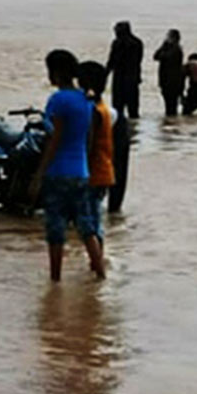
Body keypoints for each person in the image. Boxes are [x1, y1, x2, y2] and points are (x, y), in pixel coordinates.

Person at [28, 49, 105, 282]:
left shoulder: (58, 100)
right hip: (80, 172)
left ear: (57, 72)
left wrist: (39, 175)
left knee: (56, 230)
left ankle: (55, 280)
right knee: (87, 227)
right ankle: (100, 274)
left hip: (57, 173)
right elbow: (89, 139)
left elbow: (54, 139)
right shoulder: (87, 99)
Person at [76, 60, 114, 259]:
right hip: (104, 170)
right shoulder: (103, 107)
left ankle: (97, 268)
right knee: (95, 221)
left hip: (91, 172)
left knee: (88, 225)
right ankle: (96, 267)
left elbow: (87, 145)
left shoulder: (93, 111)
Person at [105, 21, 143, 119]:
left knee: (118, 108)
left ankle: (119, 129)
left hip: (120, 77)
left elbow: (112, 60)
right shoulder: (137, 42)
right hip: (132, 77)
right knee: (133, 109)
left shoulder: (118, 43)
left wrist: (104, 74)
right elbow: (138, 61)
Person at [152, 28, 185, 116]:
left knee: (171, 104)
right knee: (168, 103)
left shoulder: (176, 49)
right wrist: (163, 46)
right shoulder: (168, 48)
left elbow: (163, 57)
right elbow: (155, 56)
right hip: (166, 80)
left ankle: (171, 123)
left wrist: (164, 47)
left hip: (173, 80)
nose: (167, 38)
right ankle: (171, 123)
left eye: (169, 36)